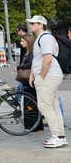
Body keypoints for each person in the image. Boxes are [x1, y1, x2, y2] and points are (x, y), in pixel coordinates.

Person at [28, 15, 67, 148]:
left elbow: (47, 59)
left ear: (41, 25)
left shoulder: (45, 38)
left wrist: (41, 76)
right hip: (50, 76)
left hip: (48, 76)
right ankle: (60, 136)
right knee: (53, 106)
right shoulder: (42, 38)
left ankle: (56, 136)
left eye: (33, 23)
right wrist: (32, 74)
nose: (31, 25)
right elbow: (37, 59)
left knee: (45, 106)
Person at [16, 34, 43, 132]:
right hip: (26, 80)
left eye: (23, 41)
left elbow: (32, 64)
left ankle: (32, 126)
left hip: (30, 80)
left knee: (30, 102)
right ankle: (34, 126)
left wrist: (20, 67)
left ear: (28, 42)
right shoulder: (27, 51)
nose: (21, 43)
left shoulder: (31, 52)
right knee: (30, 102)